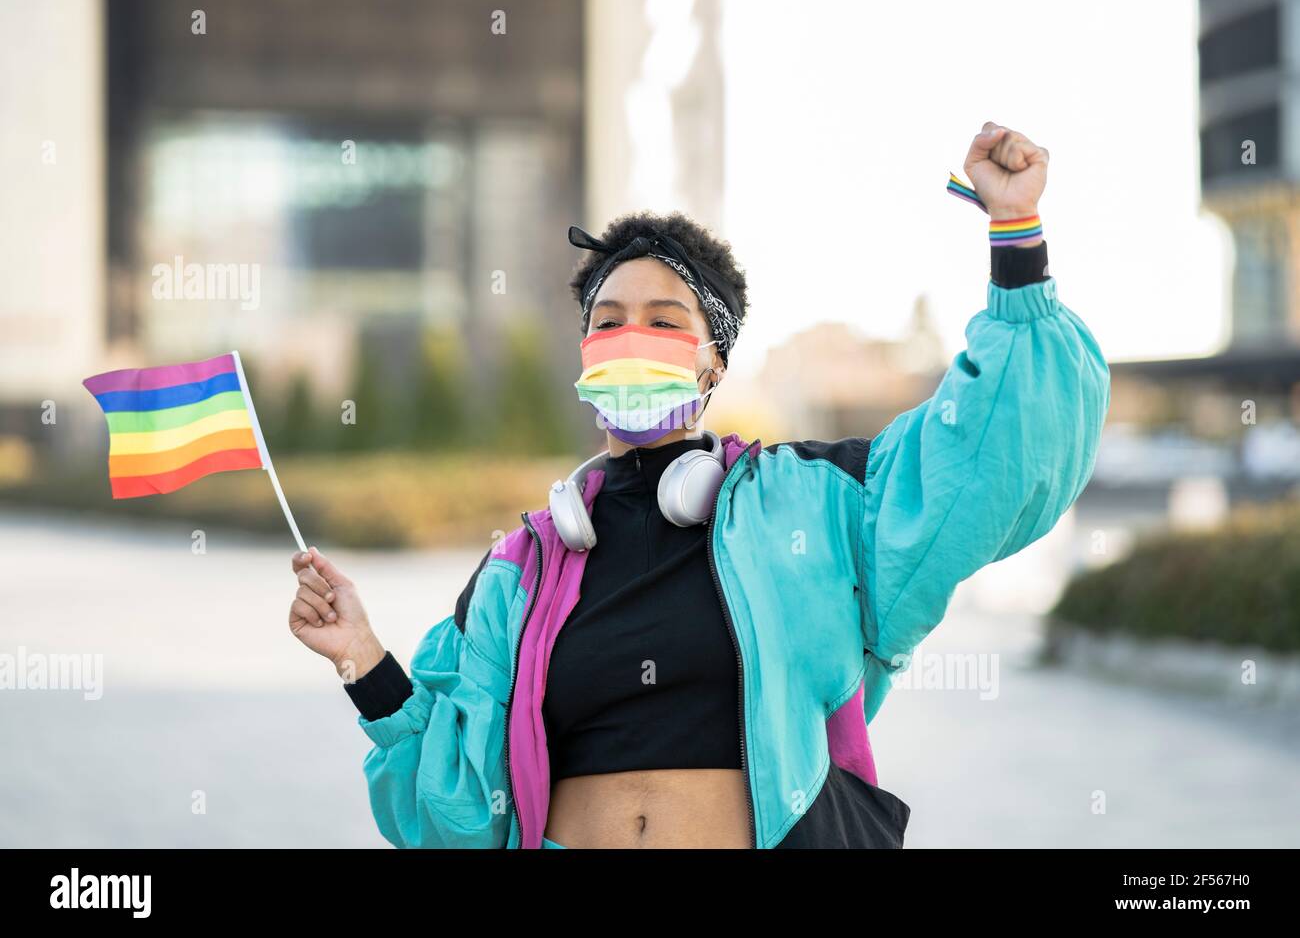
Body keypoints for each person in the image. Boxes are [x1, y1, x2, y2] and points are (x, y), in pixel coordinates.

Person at [286, 122, 1110, 848]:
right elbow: (451, 816)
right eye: (606, 321)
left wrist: (1016, 234)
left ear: (713, 359)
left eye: (663, 319)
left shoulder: (817, 506)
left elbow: (986, 459)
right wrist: (363, 659)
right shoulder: (521, 570)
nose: (627, 335)